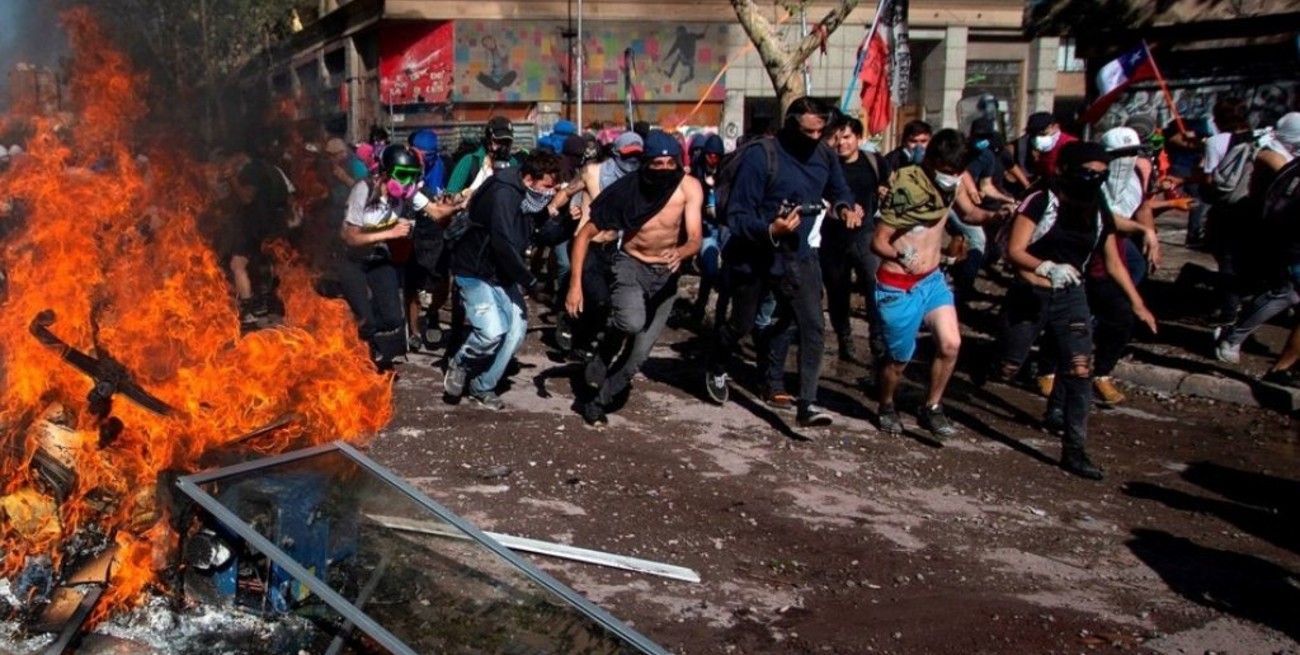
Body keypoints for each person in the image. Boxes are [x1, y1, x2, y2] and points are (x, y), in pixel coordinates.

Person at [991, 142, 1157, 480]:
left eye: (1101, 175)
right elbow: (1015, 250)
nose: (1094, 180)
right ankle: (991, 366)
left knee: (1079, 367)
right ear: (1066, 170)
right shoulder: (1042, 199)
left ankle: (1074, 447)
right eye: (1088, 173)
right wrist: (1046, 267)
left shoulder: (1097, 206)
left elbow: (1112, 261)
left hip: (1071, 293)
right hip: (1032, 290)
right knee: (1009, 365)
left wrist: (1137, 303)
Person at [704, 96, 862, 428]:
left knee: (813, 325)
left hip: (799, 255)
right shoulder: (762, 156)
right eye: (808, 132)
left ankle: (807, 403)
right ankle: (716, 364)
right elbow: (737, 215)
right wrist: (770, 229)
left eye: (821, 132)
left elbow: (839, 190)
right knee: (742, 324)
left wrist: (846, 208)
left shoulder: (824, 155)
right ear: (790, 126)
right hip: (755, 254)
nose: (815, 138)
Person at [566, 131, 703, 426]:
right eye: (658, 163)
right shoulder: (628, 191)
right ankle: (603, 351)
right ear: (646, 163)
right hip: (632, 265)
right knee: (630, 322)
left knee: (638, 355)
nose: (664, 169)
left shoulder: (688, 187)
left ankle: (598, 400)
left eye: (670, 163)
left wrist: (682, 251)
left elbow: (695, 238)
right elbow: (584, 235)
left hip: (666, 275)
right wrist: (575, 285)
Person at [443, 151, 562, 410]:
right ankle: (460, 363)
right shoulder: (503, 194)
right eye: (547, 186)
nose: (550, 193)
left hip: (503, 273)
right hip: (476, 271)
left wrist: (567, 225)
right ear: (529, 179)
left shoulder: (529, 197)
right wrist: (530, 282)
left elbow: (541, 231)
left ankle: (483, 386)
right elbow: (503, 243)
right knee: (491, 332)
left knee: (515, 333)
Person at [870, 129, 967, 438]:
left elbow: (971, 213)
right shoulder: (907, 189)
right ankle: (886, 404)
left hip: (932, 280)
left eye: (957, 171)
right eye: (948, 170)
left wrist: (998, 214)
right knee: (899, 361)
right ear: (933, 162)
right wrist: (902, 254)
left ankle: (932, 406)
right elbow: (879, 241)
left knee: (951, 344)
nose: (953, 177)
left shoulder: (951, 187)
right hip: (898, 285)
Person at [1214, 112, 1300, 366]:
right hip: (1274, 235)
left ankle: (1281, 361)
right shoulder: (1272, 155)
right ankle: (1232, 335)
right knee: (1285, 293)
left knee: (1284, 293)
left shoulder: (1287, 158)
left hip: (1278, 235)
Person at [337, 145, 420, 370]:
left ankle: (366, 338)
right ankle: (358, 353)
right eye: (402, 175)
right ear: (385, 172)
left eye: (412, 176)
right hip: (352, 260)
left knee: (393, 318)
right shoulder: (363, 190)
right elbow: (350, 237)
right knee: (366, 320)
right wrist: (389, 233)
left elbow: (434, 209)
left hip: (379, 258)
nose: (406, 182)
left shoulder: (401, 198)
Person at [824, 117, 884, 363]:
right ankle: (844, 338)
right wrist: (841, 210)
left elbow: (887, 186)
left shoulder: (873, 162)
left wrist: (884, 191)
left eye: (847, 137)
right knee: (838, 292)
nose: (842, 143)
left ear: (859, 138)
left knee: (874, 286)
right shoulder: (827, 166)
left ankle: (877, 339)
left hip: (865, 235)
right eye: (837, 139)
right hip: (833, 239)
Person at [1201, 98, 1258, 325]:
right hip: (1253, 208)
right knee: (1243, 260)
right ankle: (1238, 301)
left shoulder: (1215, 142)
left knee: (1226, 261)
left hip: (1225, 210)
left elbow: (1209, 179)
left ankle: (1228, 313)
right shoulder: (1261, 140)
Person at [689, 133, 728, 326]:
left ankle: (720, 317)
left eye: (716, 156)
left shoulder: (727, 173)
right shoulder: (696, 173)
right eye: (709, 155)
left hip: (725, 226)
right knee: (710, 269)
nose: (713, 159)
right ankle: (700, 306)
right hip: (707, 228)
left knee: (728, 275)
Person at [446, 116, 517, 198]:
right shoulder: (470, 161)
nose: (502, 147)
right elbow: (449, 196)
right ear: (488, 140)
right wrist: (465, 194)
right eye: (498, 141)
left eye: (506, 142)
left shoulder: (513, 164)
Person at [1024, 111, 1078, 180]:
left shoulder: (1070, 144)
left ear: (1055, 127)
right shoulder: (1031, 145)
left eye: (1042, 133)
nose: (1038, 137)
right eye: (1034, 134)